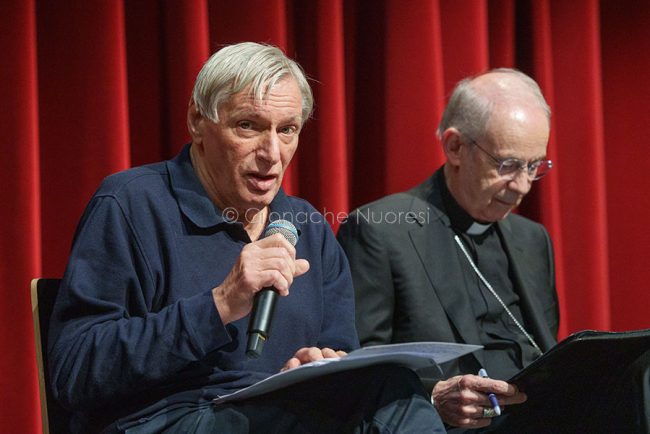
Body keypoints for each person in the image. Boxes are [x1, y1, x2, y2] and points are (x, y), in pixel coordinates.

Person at [47, 42, 445, 434]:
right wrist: (219, 304)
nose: (272, 152)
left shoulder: (306, 225)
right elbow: (74, 371)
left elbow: (339, 351)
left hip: (278, 413)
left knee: (392, 389)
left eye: (287, 130)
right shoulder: (131, 204)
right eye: (248, 126)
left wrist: (317, 364)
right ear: (198, 121)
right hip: (161, 418)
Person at [338, 68, 650, 433]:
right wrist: (436, 396)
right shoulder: (382, 229)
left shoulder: (532, 238)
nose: (522, 186)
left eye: (534, 166)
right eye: (508, 165)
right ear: (455, 147)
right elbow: (357, 371)